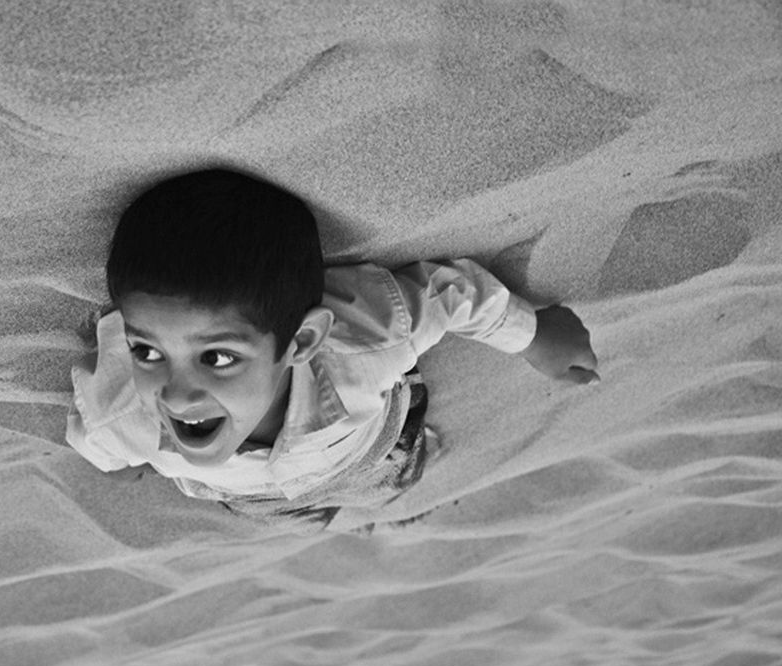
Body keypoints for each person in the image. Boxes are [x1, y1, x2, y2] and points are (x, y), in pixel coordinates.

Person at [66, 167, 598, 531]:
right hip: (246, 494)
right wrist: (122, 458)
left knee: (393, 476)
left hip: (370, 447)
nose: (176, 396)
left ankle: (391, 500)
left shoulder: (361, 345)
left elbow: (444, 295)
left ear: (301, 341)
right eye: (147, 352)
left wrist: (532, 335)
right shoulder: (123, 418)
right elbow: (97, 438)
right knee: (291, 519)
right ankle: (327, 519)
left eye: (218, 357)